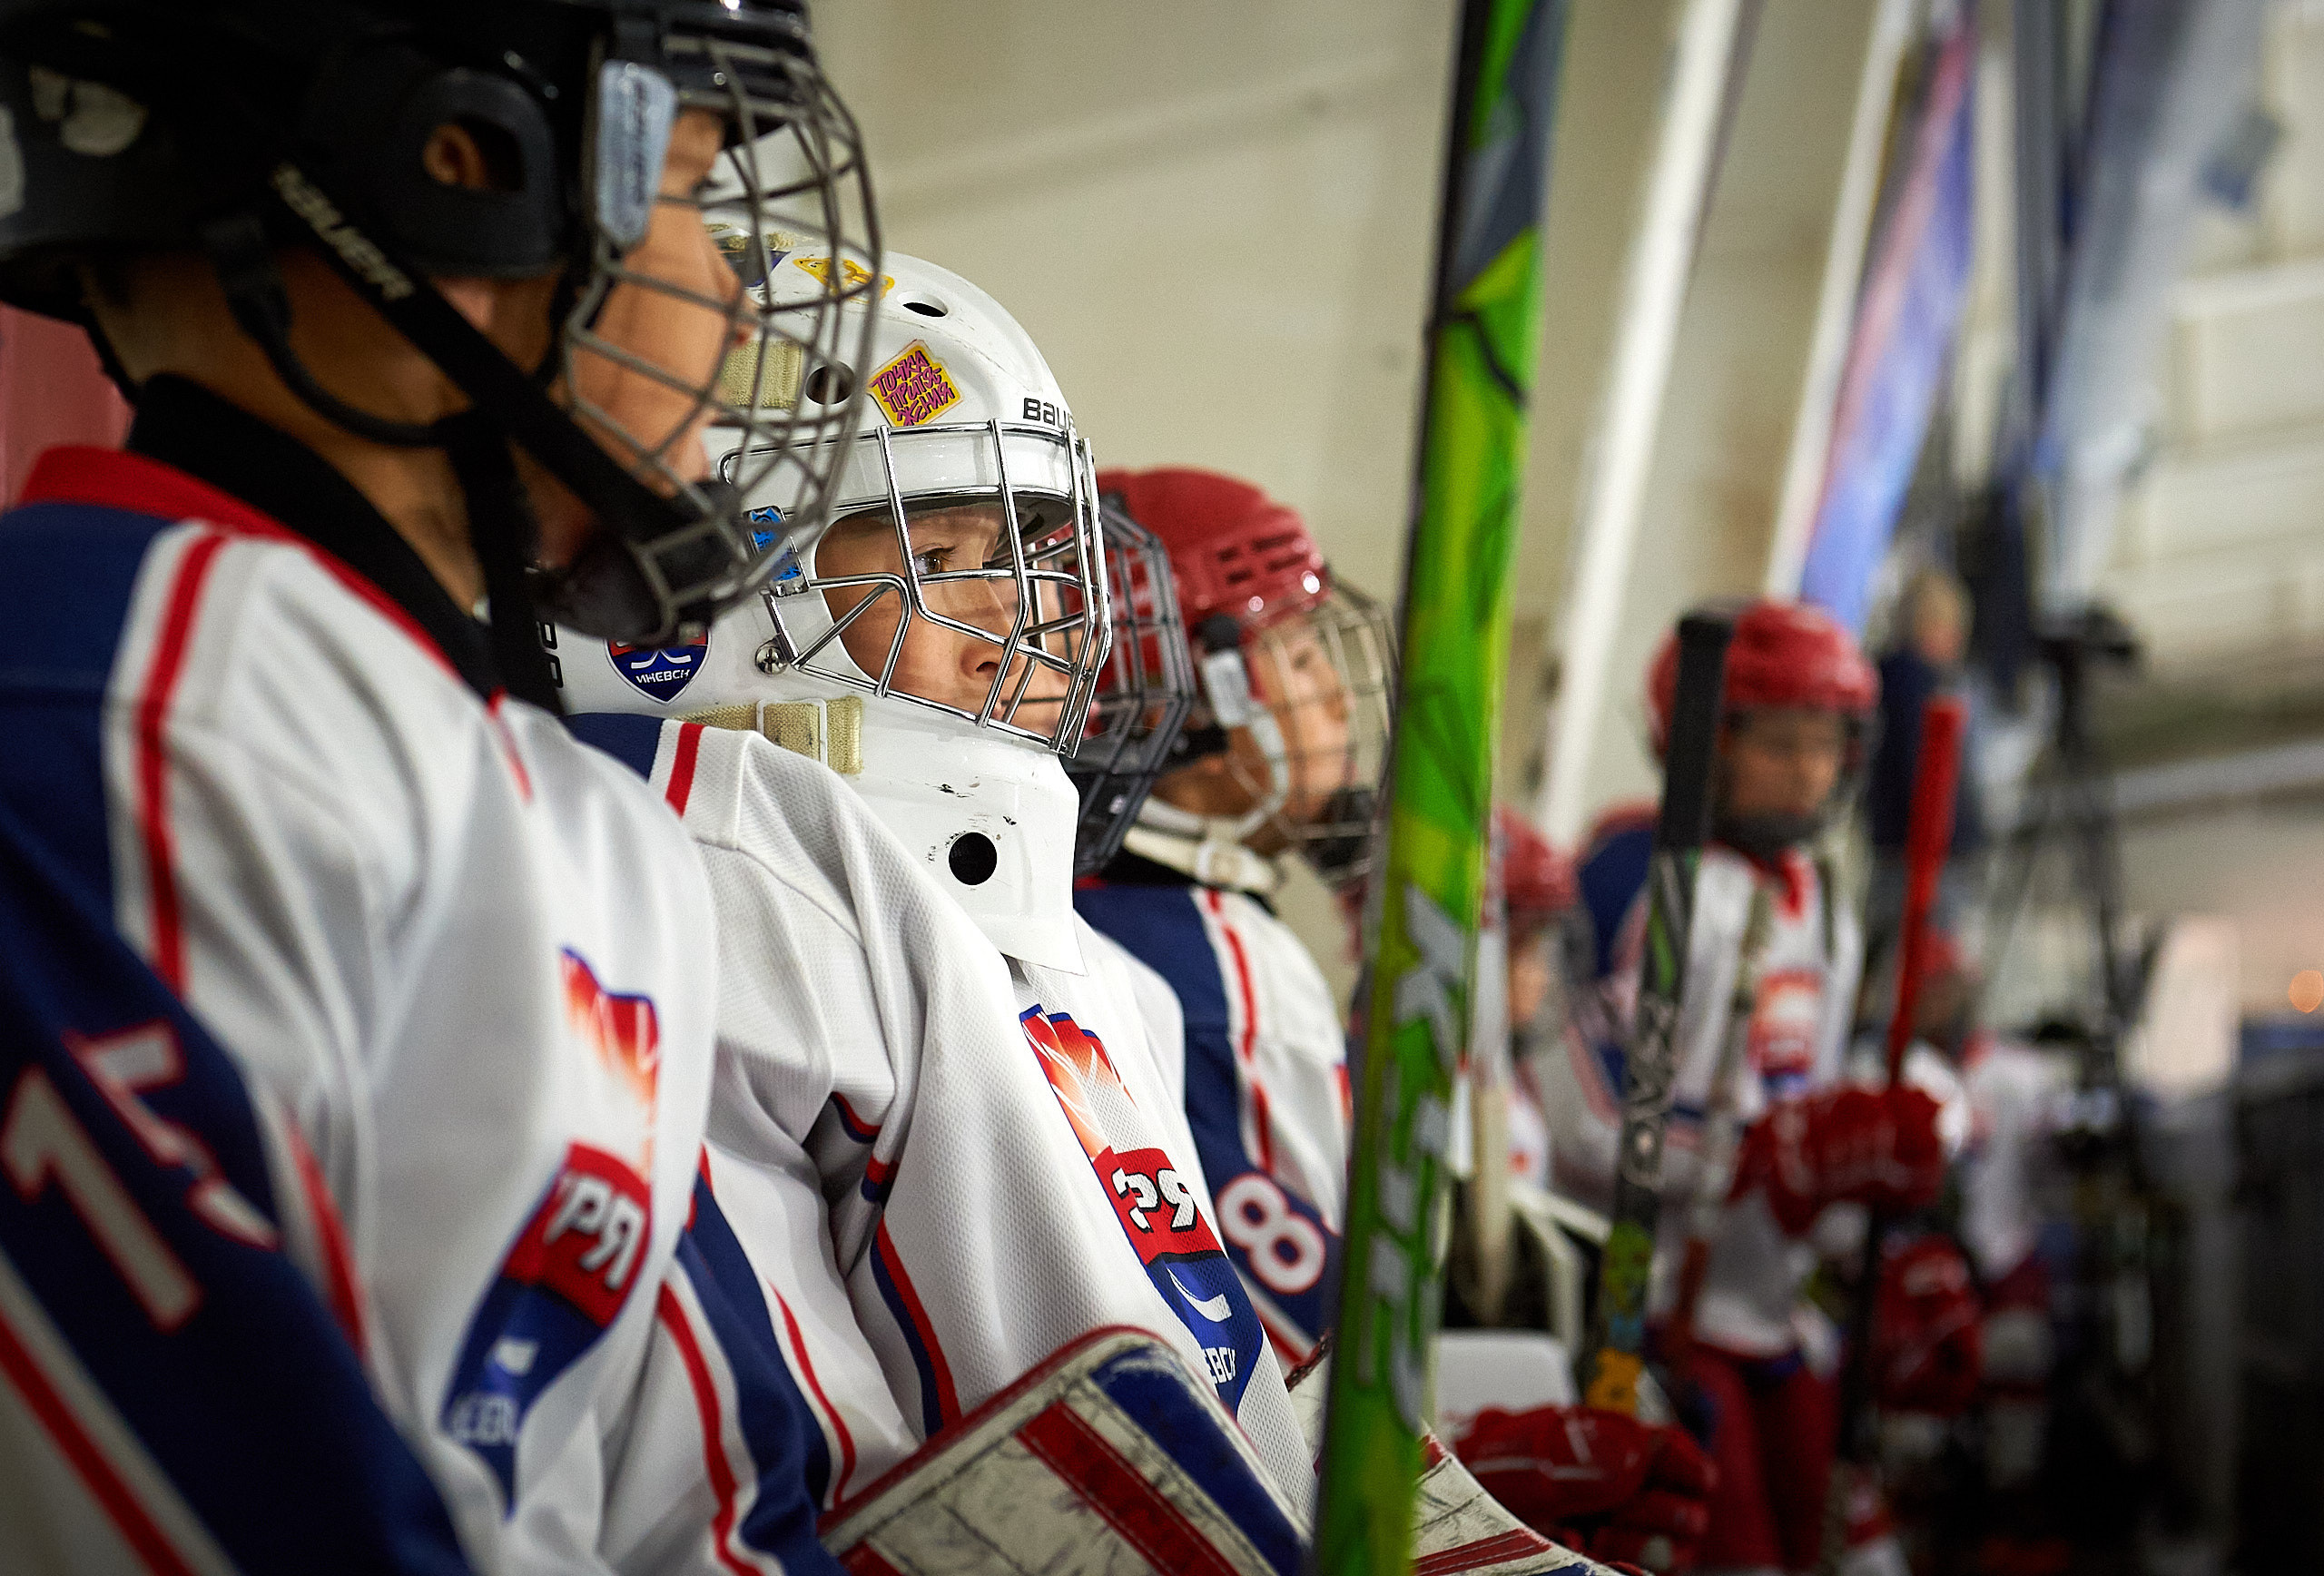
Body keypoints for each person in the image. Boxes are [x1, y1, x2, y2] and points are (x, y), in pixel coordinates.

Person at [0, 3, 878, 1570]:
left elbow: (709, 1515)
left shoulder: (589, 822)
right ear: (459, 174)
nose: (742, 297)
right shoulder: (107, 697)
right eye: (687, 179)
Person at [555, 253, 1318, 1517]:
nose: (1021, 618)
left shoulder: (1082, 964)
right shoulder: (706, 893)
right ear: (731, 584)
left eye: (1024, 553)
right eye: (945, 550)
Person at [1544, 599, 1948, 1575]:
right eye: (1780, 741)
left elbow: (1805, 1092)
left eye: (1828, 742)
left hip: (1770, 1305)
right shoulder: (1636, 874)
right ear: (1701, 737)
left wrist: (1871, 1230)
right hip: (1645, 1312)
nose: (1810, 769)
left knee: (1859, 1551)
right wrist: (1752, 1156)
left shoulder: (1823, 894)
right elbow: (1582, 1115)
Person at [1069, 466, 1395, 1370]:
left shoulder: (1053, 903)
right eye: (1294, 654)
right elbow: (1307, 1371)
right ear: (1192, 703)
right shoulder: (1234, 978)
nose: (1334, 692)